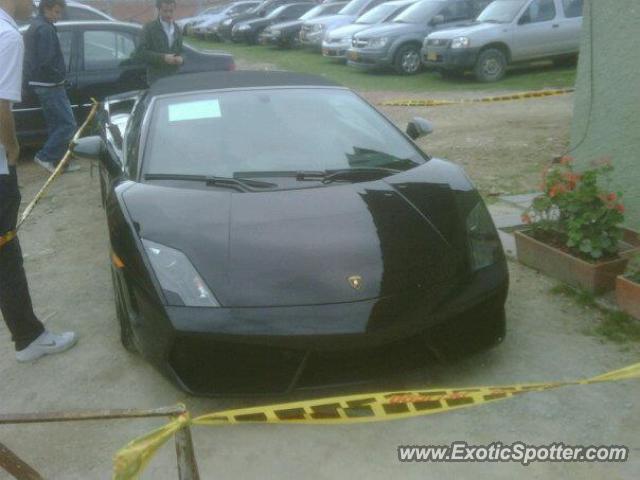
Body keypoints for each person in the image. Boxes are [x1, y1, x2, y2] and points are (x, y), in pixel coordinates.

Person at [0, 0, 77, 362]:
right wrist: (12, 147)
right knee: (6, 252)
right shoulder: (8, 34)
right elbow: (0, 105)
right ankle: (29, 338)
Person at [23, 0, 79, 173]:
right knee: (68, 125)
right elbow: (46, 62)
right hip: (50, 85)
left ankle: (59, 163)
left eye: (60, 13)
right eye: (56, 12)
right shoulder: (45, 29)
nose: (58, 17)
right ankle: (45, 156)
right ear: (46, 8)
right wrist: (60, 77)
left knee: (56, 125)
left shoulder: (35, 25)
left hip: (41, 84)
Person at [136, 0, 184, 85]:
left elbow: (182, 51)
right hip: (156, 79)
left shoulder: (177, 29)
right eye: (165, 11)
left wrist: (182, 58)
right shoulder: (149, 28)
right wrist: (163, 58)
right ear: (158, 10)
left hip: (174, 78)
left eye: (171, 11)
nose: (168, 14)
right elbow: (141, 53)